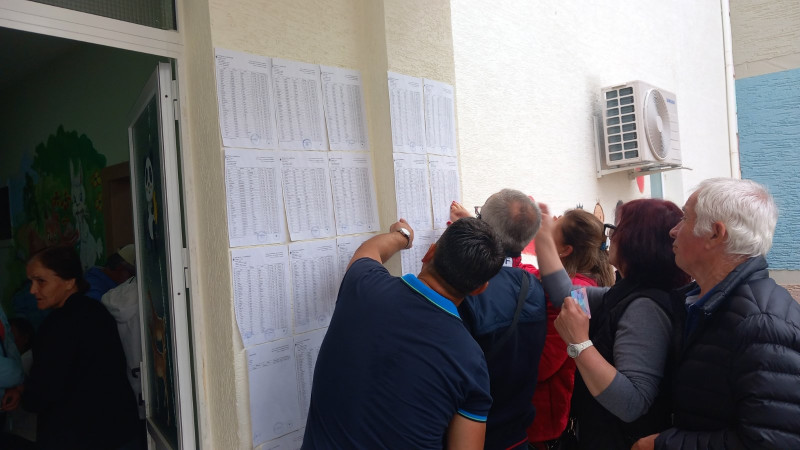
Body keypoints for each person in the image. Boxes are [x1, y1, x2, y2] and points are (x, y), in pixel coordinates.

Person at [302, 218, 505, 449]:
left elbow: (370, 249)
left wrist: (402, 237)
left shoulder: (364, 285)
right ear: (480, 289)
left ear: (429, 253)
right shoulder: (471, 362)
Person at [632, 178, 800, 450]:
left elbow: (772, 442)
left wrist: (661, 444)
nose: (673, 231)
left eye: (685, 218)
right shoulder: (701, 303)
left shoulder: (761, 323)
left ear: (715, 234)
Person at [535, 199, 690, 449]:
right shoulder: (623, 293)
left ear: (637, 241)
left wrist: (579, 344)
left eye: (617, 228)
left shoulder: (645, 308)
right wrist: (543, 236)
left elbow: (632, 403)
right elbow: (567, 297)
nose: (610, 237)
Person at [452, 190, 548, 450]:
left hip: (471, 436)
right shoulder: (533, 286)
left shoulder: (467, 289)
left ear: (482, 226)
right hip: (516, 435)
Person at [23, 245, 140, 449]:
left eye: (41, 281)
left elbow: (43, 391)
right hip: (117, 430)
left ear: (69, 281)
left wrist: (24, 395)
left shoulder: (58, 325)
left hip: (79, 437)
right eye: (31, 282)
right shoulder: (97, 310)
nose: (33, 290)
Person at [527, 208, 615, 449]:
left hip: (542, 420)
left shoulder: (577, 293)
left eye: (553, 227)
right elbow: (532, 274)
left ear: (565, 251)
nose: (549, 224)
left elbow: (547, 362)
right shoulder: (574, 282)